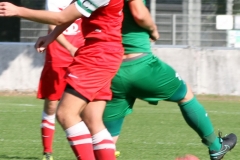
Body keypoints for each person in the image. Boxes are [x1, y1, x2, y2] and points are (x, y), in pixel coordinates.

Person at [102, 0, 237, 160]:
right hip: (140, 64)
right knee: (185, 94)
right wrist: (153, 29)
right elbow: (139, 12)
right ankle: (216, 147)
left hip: (112, 69)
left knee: (108, 141)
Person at [0, 1, 124, 160]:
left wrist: (18, 10)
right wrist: (52, 36)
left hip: (98, 54)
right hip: (104, 52)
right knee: (93, 119)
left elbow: (60, 17)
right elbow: (70, 15)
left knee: (66, 114)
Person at [38, 0, 84, 160]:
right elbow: (53, 24)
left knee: (88, 107)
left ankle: (100, 148)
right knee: (51, 105)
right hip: (57, 57)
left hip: (82, 57)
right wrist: (70, 48)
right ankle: (47, 152)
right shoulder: (53, 1)